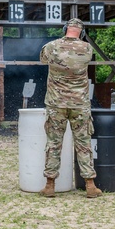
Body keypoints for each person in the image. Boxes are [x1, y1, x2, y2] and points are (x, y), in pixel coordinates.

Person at [39, 18, 101, 198]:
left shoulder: (50, 47)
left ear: (65, 29)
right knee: (84, 144)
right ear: (81, 32)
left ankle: (50, 185)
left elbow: (44, 60)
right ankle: (90, 185)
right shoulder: (87, 49)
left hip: (56, 104)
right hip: (79, 104)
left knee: (53, 144)